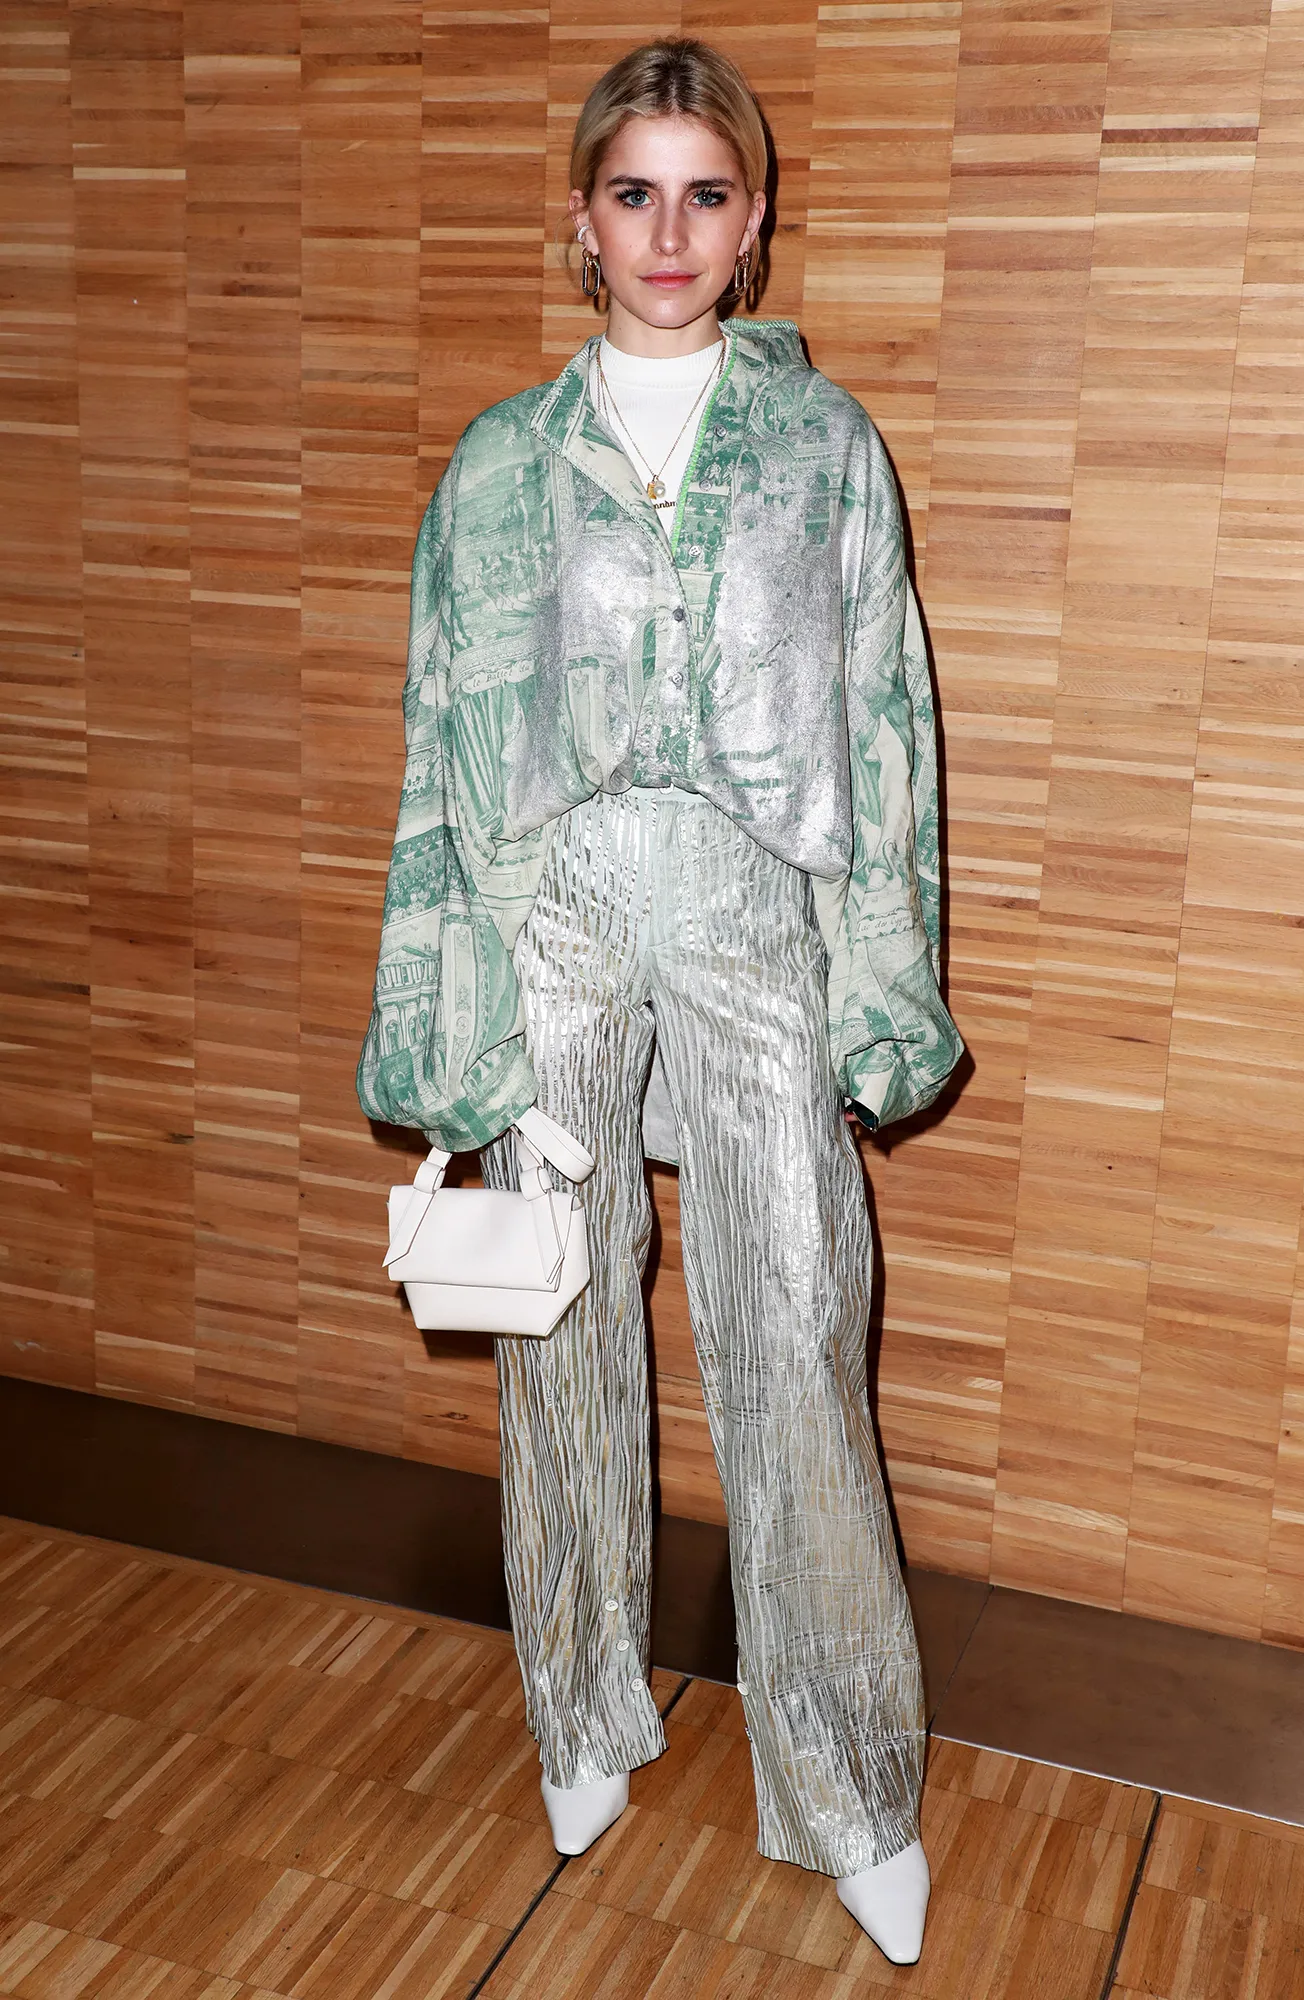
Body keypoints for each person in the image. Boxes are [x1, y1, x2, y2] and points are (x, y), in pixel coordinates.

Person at [358, 37, 963, 1968]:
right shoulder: (500, 463)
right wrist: (451, 1012)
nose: (671, 231)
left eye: (707, 194)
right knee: (560, 1320)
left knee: (798, 1315)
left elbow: (886, 732)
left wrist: (877, 989)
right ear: (582, 219)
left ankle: (850, 1778)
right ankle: (580, 1707)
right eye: (636, 193)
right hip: (549, 911)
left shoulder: (825, 450)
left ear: (754, 222)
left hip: (753, 910)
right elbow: (446, 747)